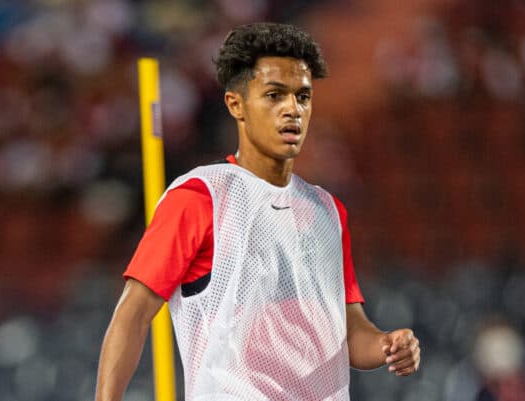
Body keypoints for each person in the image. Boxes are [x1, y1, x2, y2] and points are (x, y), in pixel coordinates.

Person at [95, 22, 421, 401]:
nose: (292, 110)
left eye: (302, 96)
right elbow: (132, 315)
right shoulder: (201, 196)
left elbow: (349, 332)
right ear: (236, 105)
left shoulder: (327, 211)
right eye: (274, 95)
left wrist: (386, 344)